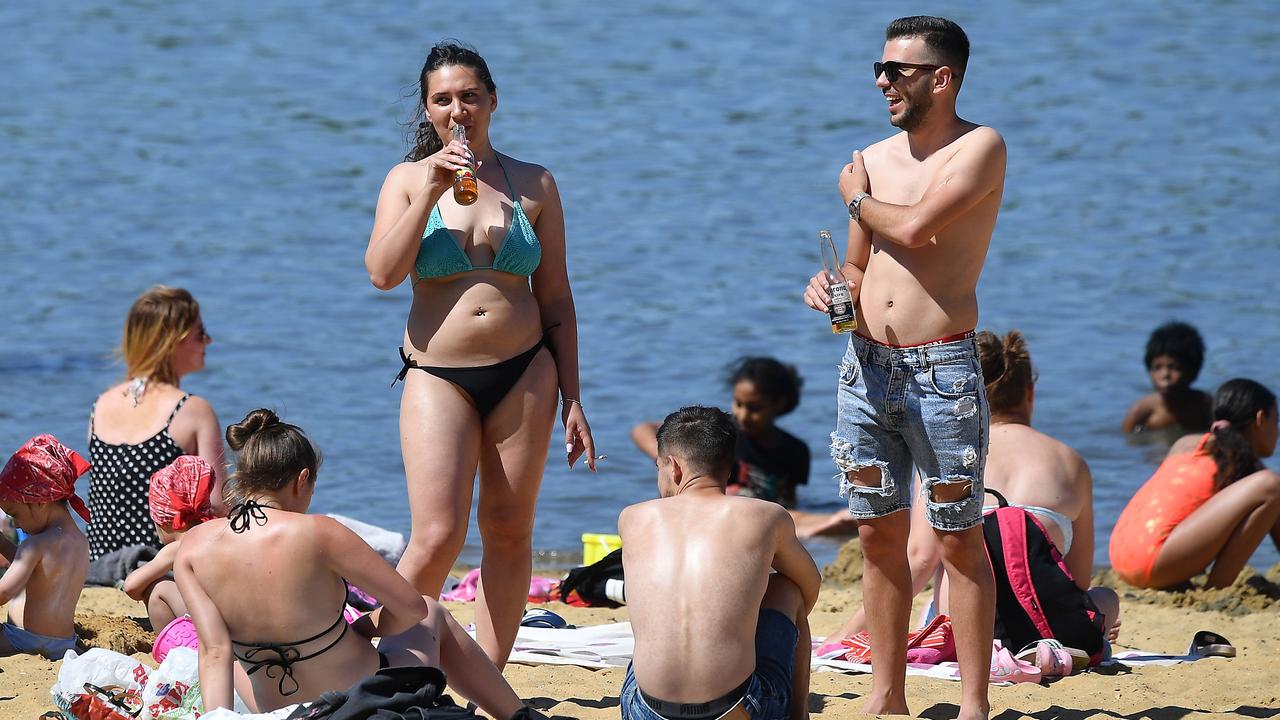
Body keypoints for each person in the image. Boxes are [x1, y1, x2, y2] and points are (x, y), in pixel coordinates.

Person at [364, 40, 596, 666]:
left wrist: (574, 397)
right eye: (443, 99)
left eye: (470, 96)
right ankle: (379, 664)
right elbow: (382, 274)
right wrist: (429, 191)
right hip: (438, 372)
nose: (457, 109)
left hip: (526, 371)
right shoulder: (407, 180)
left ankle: (490, 678)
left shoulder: (534, 182)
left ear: (493, 101)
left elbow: (557, 301)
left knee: (508, 528)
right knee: (437, 533)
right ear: (428, 109)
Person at [801, 16, 1005, 718]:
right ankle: (887, 699)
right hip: (866, 369)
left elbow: (917, 228)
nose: (882, 81)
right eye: (880, 69)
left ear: (941, 79)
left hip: (942, 372)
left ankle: (973, 705)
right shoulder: (873, 159)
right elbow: (859, 261)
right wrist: (832, 287)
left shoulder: (979, 148)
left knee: (955, 538)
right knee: (877, 536)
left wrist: (855, 198)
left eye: (898, 70)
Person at [174, 409, 535, 716]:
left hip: (281, 710)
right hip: (358, 700)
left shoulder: (193, 548)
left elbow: (214, 652)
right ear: (302, 480)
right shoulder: (320, 532)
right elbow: (409, 609)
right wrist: (365, 627)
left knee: (234, 660)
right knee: (431, 611)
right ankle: (518, 716)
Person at [818, 331, 1120, 655]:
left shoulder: (946, 456)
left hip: (965, 625)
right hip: (1045, 620)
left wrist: (842, 637)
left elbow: (919, 560)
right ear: (1029, 393)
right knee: (1108, 598)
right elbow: (1076, 580)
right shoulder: (1071, 463)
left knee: (939, 592)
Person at [619, 406, 820, 720]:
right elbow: (809, 585)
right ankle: (798, 715)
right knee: (787, 587)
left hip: (647, 711)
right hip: (736, 708)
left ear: (672, 467)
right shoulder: (767, 515)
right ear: (731, 467)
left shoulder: (632, 518)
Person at [87, 285, 225, 561]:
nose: (208, 341)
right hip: (159, 563)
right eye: (200, 334)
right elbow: (218, 505)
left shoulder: (102, 404)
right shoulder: (192, 410)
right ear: (172, 341)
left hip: (97, 562)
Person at [1110, 378, 1280, 589]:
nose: (1277, 431)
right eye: (1277, 422)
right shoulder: (1248, 473)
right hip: (1153, 564)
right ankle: (1218, 588)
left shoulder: (1186, 444)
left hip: (1121, 560)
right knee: (1272, 484)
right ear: (1261, 419)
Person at [631, 357, 809, 507]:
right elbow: (641, 430)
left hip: (755, 513)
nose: (743, 415)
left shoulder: (795, 450)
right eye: (738, 404)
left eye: (754, 408)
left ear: (779, 404)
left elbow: (789, 501)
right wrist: (667, 456)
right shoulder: (718, 430)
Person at [0, 435, 90, 659]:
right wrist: (3, 544)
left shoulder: (34, 545)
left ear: (39, 502)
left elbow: (4, 592)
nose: (16, 524)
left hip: (22, 640)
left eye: (15, 515)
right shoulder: (80, 541)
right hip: (64, 644)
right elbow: (37, 572)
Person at [123, 455, 219, 632]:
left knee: (157, 589)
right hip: (235, 619)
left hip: (209, 626)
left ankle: (172, 645)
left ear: (163, 522)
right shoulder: (218, 531)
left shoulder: (180, 546)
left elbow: (131, 587)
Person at [1122, 321, 1213, 434]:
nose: (1165, 375)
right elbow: (1128, 443)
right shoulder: (1141, 411)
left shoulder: (1205, 406)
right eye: (1157, 367)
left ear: (1194, 371)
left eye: (1174, 367)